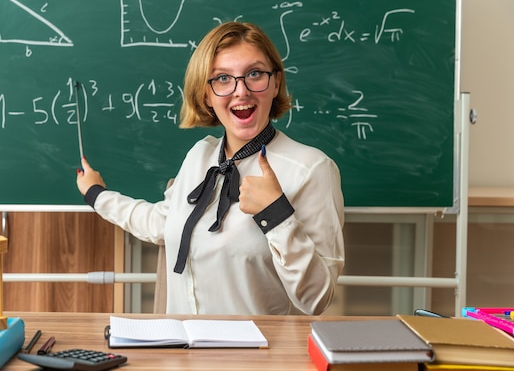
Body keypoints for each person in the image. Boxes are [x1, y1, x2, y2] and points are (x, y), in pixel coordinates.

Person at [76, 21, 344, 315]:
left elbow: (317, 299)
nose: (241, 91)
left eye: (254, 74)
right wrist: (97, 194)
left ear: (276, 82)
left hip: (254, 359)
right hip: (180, 352)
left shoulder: (311, 169)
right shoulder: (200, 155)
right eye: (222, 79)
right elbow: (160, 222)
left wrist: (277, 215)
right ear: (206, 95)